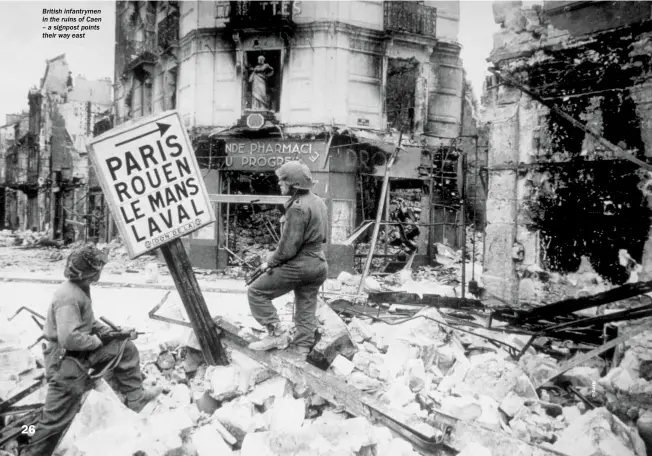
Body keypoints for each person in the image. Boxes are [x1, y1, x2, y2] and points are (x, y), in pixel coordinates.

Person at [21, 245, 161, 456]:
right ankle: (31, 450)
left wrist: (113, 332)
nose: (100, 272)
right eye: (99, 268)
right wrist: (96, 341)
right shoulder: (69, 296)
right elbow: (69, 338)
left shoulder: (79, 289)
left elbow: (87, 322)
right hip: (65, 361)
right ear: (90, 271)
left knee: (126, 348)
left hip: (76, 353)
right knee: (54, 421)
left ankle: (136, 397)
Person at [247, 161, 328, 358]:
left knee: (256, 291)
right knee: (306, 304)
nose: (279, 184)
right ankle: (302, 348)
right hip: (318, 263)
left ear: (294, 184)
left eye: (283, 181)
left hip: (300, 264)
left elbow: (288, 248)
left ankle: (276, 334)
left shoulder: (297, 208)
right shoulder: (318, 201)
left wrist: (270, 263)